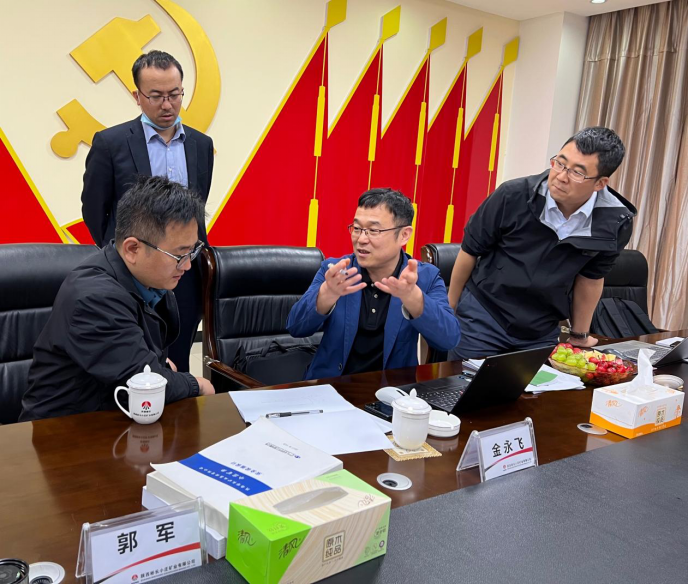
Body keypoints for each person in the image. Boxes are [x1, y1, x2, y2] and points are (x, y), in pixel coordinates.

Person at [20, 176, 215, 422]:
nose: (187, 266)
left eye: (192, 251)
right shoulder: (94, 298)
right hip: (65, 432)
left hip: (115, 416)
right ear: (132, 249)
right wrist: (196, 384)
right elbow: (144, 383)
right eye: (179, 255)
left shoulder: (146, 279)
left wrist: (158, 366)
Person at [447, 126, 635, 360]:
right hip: (484, 315)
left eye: (577, 173)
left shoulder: (615, 221)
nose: (561, 177)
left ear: (600, 183)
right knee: (464, 382)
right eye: (560, 163)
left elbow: (591, 278)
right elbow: (470, 250)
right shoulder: (513, 195)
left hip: (541, 329)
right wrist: (449, 309)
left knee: (538, 385)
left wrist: (579, 335)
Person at [81, 50, 214, 372]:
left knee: (178, 358)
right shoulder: (111, 143)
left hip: (184, 272)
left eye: (174, 94)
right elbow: (94, 209)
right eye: (156, 96)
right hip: (132, 273)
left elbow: (196, 208)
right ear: (137, 96)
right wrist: (123, 257)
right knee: (133, 360)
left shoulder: (200, 144)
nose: (167, 105)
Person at [287, 188, 460, 379]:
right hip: (330, 386)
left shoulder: (425, 277)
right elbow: (296, 327)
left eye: (373, 231)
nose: (361, 239)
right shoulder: (336, 272)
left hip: (392, 391)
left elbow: (449, 339)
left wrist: (413, 298)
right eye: (357, 228)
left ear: (404, 235)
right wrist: (326, 294)